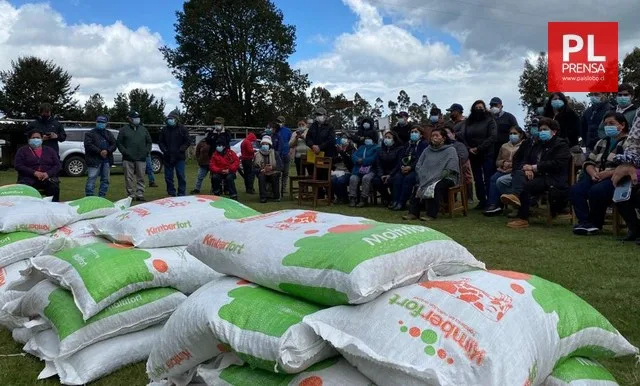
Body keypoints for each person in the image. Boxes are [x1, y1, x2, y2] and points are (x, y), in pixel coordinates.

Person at [501, 118, 571, 228]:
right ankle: (515, 197)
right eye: (540, 129)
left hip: (553, 178)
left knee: (527, 186)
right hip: (539, 175)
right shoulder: (538, 144)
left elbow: (557, 164)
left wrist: (534, 167)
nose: (542, 132)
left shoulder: (561, 144)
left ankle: (522, 217)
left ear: (554, 131)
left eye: (545, 129)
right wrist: (527, 168)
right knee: (519, 173)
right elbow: (526, 158)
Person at [570, 112, 629, 235]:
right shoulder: (602, 142)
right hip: (596, 176)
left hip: (617, 179)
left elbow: (627, 166)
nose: (608, 126)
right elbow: (588, 161)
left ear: (622, 125)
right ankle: (585, 222)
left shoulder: (628, 143)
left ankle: (595, 223)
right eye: (606, 124)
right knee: (576, 190)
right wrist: (592, 173)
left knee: (597, 191)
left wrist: (607, 174)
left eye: (611, 123)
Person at [402, 128, 460, 221]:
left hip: (446, 177)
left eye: (437, 135)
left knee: (435, 186)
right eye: (433, 136)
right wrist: (423, 175)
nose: (434, 138)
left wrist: (435, 178)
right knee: (418, 186)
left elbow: (451, 168)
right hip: (427, 177)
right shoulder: (427, 150)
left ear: (443, 138)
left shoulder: (450, 150)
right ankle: (413, 213)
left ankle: (431, 214)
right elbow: (418, 165)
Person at [460, 100, 497, 210]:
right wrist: (469, 148)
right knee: (477, 179)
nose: (479, 109)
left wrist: (479, 148)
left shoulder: (490, 120)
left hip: (486, 153)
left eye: (481, 107)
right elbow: (464, 136)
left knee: (488, 178)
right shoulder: (469, 122)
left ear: (485, 108)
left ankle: (491, 202)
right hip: (473, 154)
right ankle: (482, 200)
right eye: (477, 107)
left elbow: (493, 137)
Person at [484, 126, 525, 216]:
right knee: (493, 178)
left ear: (521, 135)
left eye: (515, 134)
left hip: (515, 171)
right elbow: (497, 161)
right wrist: (503, 163)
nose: (512, 136)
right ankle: (494, 204)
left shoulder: (524, 146)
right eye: (510, 134)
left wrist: (512, 165)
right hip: (502, 170)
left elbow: (524, 161)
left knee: (501, 180)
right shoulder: (504, 146)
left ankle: (511, 202)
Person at [14, 129, 61, 201]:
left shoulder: (50, 150)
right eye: (33, 138)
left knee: (54, 187)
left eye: (38, 138)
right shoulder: (22, 150)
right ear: (29, 139)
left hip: (47, 178)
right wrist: (34, 173)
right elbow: (18, 165)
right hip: (28, 178)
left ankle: (53, 207)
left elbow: (57, 165)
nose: (36, 139)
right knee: (25, 188)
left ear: (42, 139)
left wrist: (47, 174)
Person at [117, 111, 152, 201]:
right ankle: (130, 195)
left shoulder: (143, 129)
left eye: (138, 117)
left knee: (141, 177)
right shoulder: (124, 130)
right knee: (129, 178)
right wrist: (125, 152)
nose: (137, 119)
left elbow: (149, 142)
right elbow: (119, 142)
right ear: (130, 119)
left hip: (141, 158)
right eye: (135, 117)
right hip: (128, 158)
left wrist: (146, 151)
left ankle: (140, 194)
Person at [390, 126, 427, 211]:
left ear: (421, 135)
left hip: (416, 170)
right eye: (412, 132)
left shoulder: (424, 144)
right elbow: (401, 157)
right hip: (404, 168)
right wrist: (402, 166)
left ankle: (401, 203)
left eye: (416, 132)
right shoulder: (407, 144)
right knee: (397, 178)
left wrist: (410, 167)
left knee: (408, 179)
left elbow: (420, 158)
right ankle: (395, 201)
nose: (413, 133)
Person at [306, 107, 336, 197]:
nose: (318, 117)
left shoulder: (330, 127)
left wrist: (320, 147)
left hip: (326, 154)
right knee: (315, 174)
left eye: (320, 115)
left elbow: (331, 140)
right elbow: (308, 138)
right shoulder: (313, 126)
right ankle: (319, 195)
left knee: (325, 175)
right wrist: (312, 146)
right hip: (314, 154)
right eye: (317, 115)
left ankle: (330, 196)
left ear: (325, 116)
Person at [159, 110, 190, 197]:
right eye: (169, 118)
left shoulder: (183, 129)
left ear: (176, 119)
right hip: (167, 157)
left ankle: (181, 193)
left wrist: (181, 149)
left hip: (179, 157)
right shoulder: (164, 130)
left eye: (172, 118)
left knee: (181, 175)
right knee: (168, 177)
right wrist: (164, 150)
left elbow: (188, 141)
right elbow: (161, 142)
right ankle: (171, 192)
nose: (170, 120)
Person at [84, 115, 116, 197]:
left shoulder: (109, 134)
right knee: (91, 179)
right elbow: (88, 145)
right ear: (96, 122)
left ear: (106, 123)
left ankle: (102, 197)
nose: (100, 123)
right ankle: (89, 198)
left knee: (105, 180)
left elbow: (114, 144)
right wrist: (100, 151)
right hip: (94, 160)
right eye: (99, 122)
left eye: (102, 122)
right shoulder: (89, 133)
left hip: (106, 161)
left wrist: (107, 151)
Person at [348, 133, 380, 207]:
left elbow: (374, 158)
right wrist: (357, 160)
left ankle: (364, 198)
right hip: (358, 170)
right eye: (366, 138)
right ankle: (353, 198)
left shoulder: (377, 148)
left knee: (366, 178)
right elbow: (353, 155)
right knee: (353, 178)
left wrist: (363, 161)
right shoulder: (361, 147)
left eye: (369, 138)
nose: (367, 140)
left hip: (370, 170)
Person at [374, 131, 403, 206]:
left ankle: (394, 199)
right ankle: (387, 197)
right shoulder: (380, 150)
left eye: (389, 137)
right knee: (376, 180)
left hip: (395, 172)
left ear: (394, 139)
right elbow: (378, 164)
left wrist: (390, 175)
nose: (386, 139)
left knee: (394, 180)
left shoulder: (400, 149)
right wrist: (381, 175)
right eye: (385, 137)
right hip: (383, 173)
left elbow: (398, 164)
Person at [254, 136, 283, 203]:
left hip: (273, 172)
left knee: (274, 176)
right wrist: (261, 170)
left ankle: (276, 196)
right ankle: (263, 197)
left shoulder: (275, 153)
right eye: (263, 144)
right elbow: (254, 168)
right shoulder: (257, 154)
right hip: (263, 172)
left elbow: (281, 166)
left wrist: (272, 168)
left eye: (266, 144)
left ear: (269, 145)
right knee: (261, 177)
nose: (265, 145)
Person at [331, 136, 356, 204]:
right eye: (342, 138)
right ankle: (339, 197)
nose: (343, 140)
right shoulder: (335, 148)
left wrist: (342, 153)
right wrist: (337, 158)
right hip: (336, 171)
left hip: (347, 171)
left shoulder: (352, 149)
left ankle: (345, 198)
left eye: (345, 138)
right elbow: (332, 159)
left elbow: (351, 162)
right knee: (333, 180)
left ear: (349, 140)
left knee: (340, 180)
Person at [272, 116, 292, 198]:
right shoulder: (275, 130)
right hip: (277, 154)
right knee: (278, 172)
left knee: (286, 172)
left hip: (286, 153)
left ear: (284, 122)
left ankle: (283, 188)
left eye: (280, 121)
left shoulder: (288, 131)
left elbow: (291, 142)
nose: (278, 123)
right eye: (277, 121)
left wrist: (291, 151)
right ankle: (277, 188)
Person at [191, 129, 212, 194]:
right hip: (203, 163)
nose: (207, 133)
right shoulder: (201, 142)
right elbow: (197, 152)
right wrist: (199, 159)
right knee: (199, 177)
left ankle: (215, 189)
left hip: (212, 164)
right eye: (206, 132)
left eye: (209, 132)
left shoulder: (214, 141)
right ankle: (197, 189)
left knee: (214, 178)